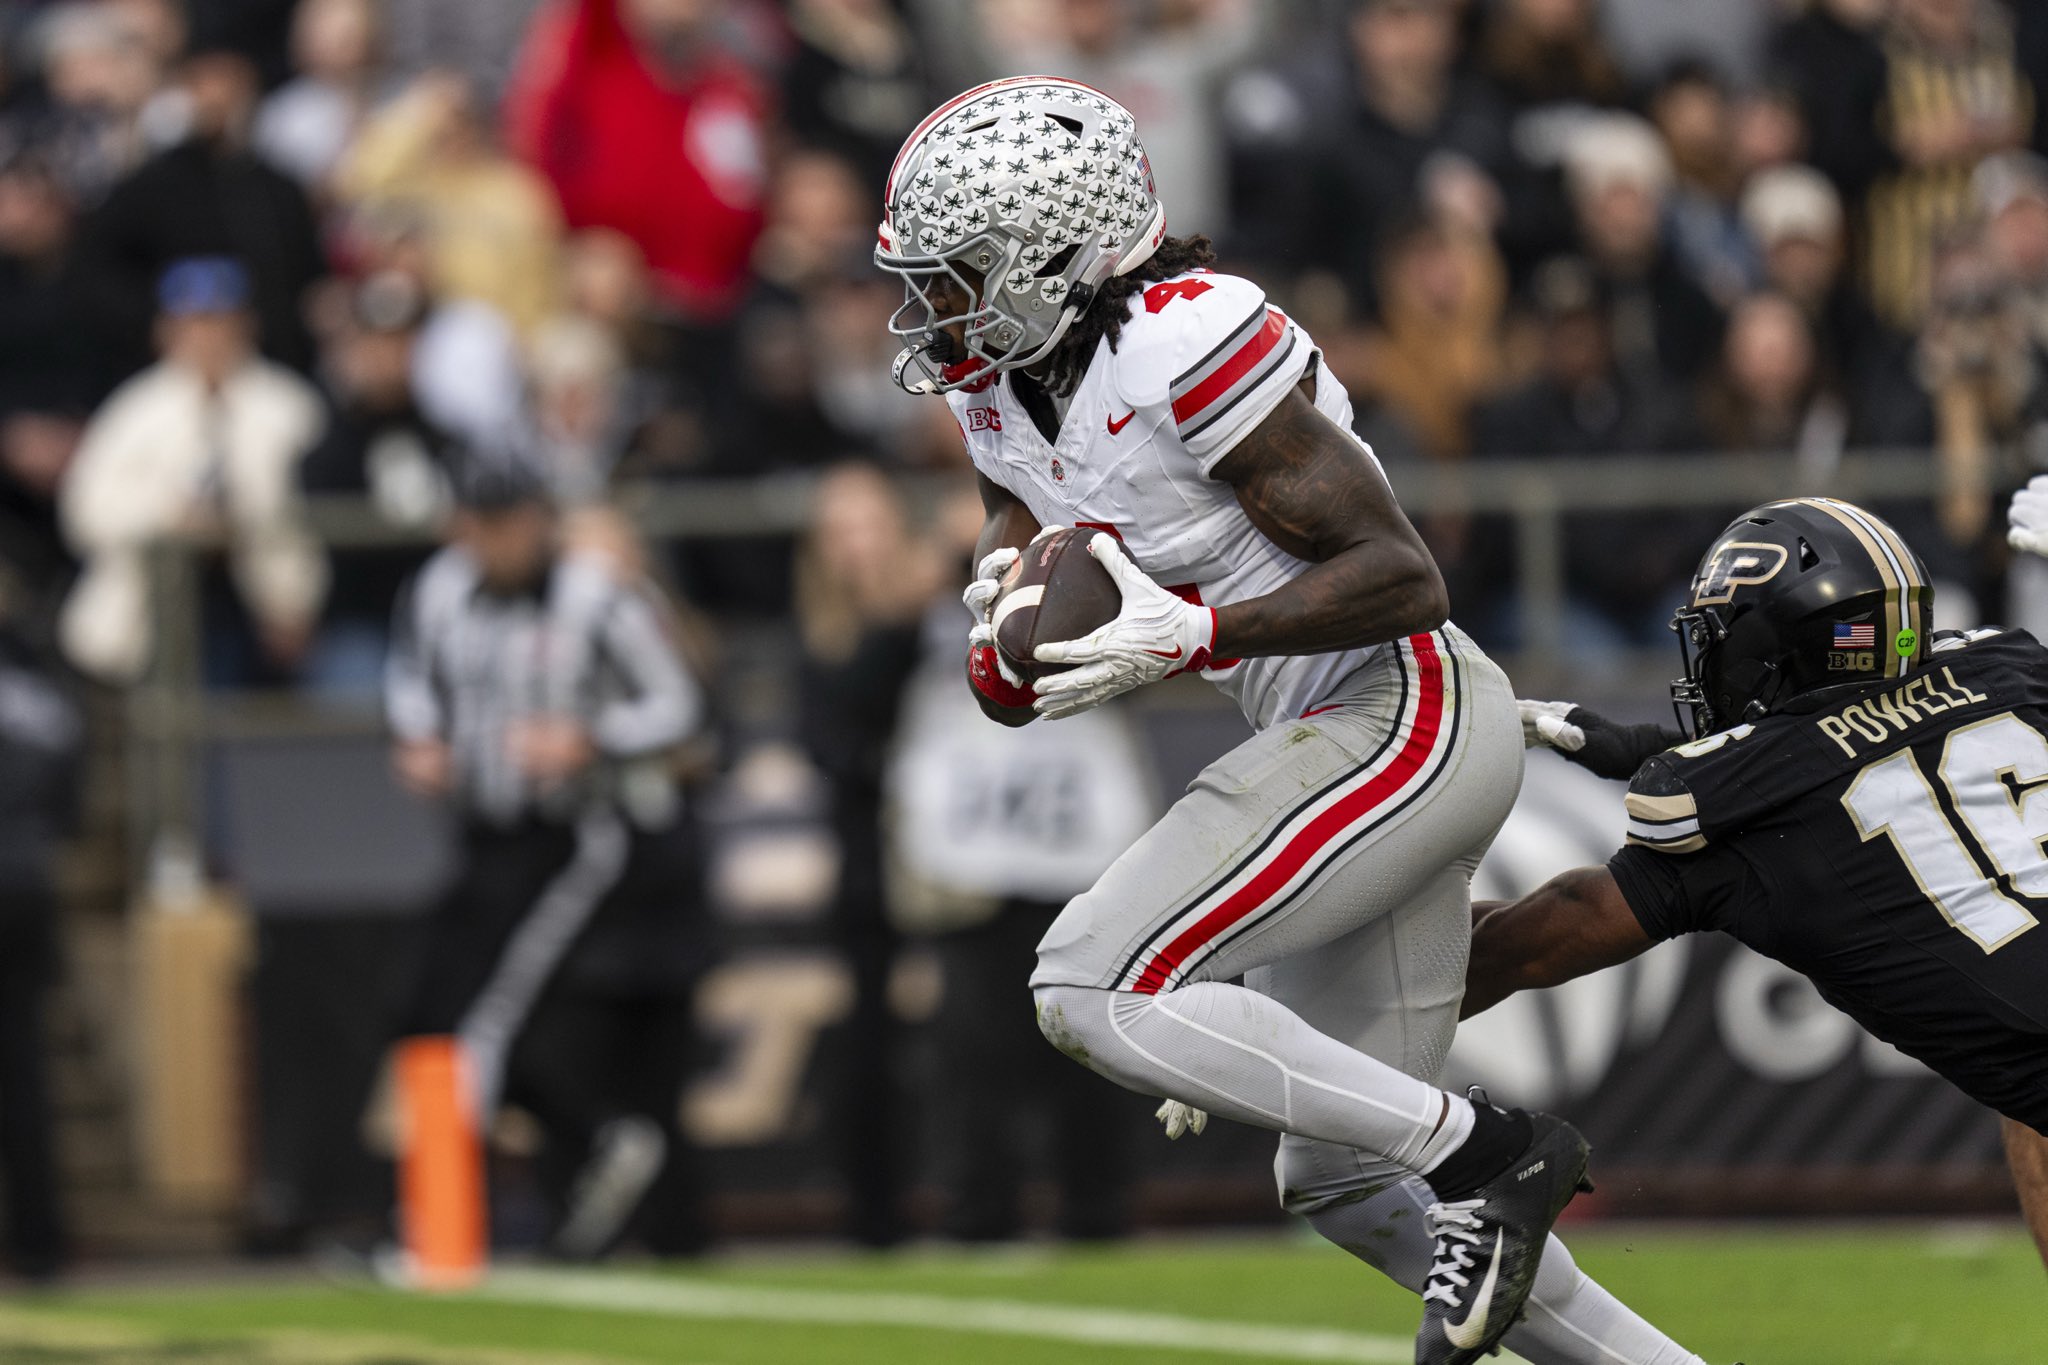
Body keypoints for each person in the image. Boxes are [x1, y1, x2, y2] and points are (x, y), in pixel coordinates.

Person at [877, 76, 1710, 1365]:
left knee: (1085, 978)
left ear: (1057, 251)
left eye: (961, 273)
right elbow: (1025, 511)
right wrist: (1004, 615)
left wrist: (1196, 632)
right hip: (1338, 728)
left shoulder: (1181, 341)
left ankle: (1493, 1150)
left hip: (1400, 706)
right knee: (1335, 1178)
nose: (936, 308)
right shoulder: (1002, 382)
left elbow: (1401, 573)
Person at [1474, 495, 2048, 1276]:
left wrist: (1334, 997)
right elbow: (1856, 734)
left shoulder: (1743, 817)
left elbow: (1538, 937)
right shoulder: (2008, 671)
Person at [384, 461, 708, 1261]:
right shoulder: (439, 588)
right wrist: (421, 738)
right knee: (430, 1017)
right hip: (480, 830)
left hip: (572, 834)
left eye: (511, 520)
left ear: (539, 519)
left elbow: (677, 706)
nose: (497, 540)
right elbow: (411, 682)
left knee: (485, 1025)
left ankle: (438, 1235)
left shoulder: (596, 597)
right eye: (482, 522)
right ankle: (588, 1143)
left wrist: (589, 738)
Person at [58, 256, 327, 686]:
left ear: (246, 324)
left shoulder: (290, 407)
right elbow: (84, 512)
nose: (209, 336)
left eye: (220, 320)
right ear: (167, 330)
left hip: (266, 607)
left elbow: (323, 513)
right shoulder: (136, 410)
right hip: (159, 606)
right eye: (196, 322)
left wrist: (294, 601)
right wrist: (169, 515)